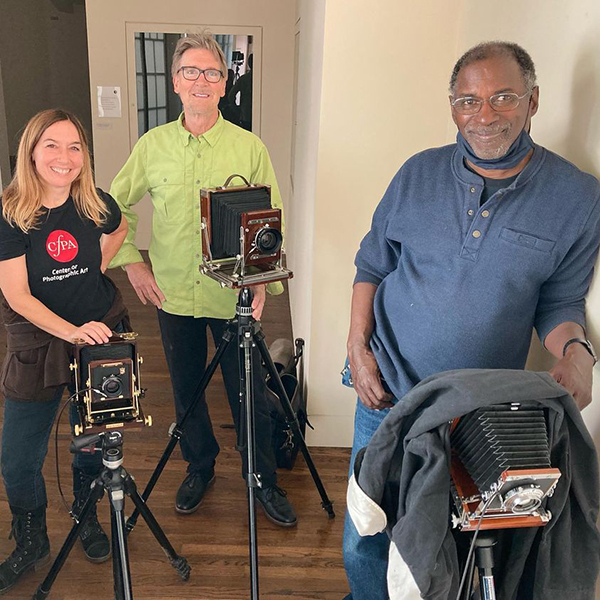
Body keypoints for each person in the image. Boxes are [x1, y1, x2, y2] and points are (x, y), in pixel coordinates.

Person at [344, 41, 600, 599]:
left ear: (534, 101)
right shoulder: (417, 174)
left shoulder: (578, 197)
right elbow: (371, 264)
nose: (484, 115)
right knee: (365, 530)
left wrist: (578, 354)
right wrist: (356, 350)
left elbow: (559, 303)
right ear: (452, 107)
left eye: (503, 97)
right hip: (384, 385)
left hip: (475, 405)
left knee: (447, 532)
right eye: (468, 100)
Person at [109, 33, 296, 527]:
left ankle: (262, 478)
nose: (201, 81)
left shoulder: (248, 147)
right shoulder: (152, 147)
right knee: (186, 388)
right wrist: (133, 262)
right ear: (175, 83)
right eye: (190, 72)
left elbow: (269, 223)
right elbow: (115, 206)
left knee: (247, 391)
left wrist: (261, 281)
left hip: (234, 296)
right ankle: (200, 465)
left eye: (211, 72)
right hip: (173, 293)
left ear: (223, 83)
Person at [0, 109, 129, 594]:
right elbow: (18, 296)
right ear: (31, 152)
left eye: (75, 147)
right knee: (16, 461)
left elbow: (118, 228)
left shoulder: (94, 202)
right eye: (51, 145)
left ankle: (86, 515)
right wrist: (71, 331)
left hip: (98, 333)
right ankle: (31, 540)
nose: (65, 157)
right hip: (38, 341)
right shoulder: (12, 213)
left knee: (93, 441)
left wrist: (95, 266)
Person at [228, 53, 253, 131]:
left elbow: (231, 95)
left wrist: (236, 109)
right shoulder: (264, 80)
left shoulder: (244, 79)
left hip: (246, 114)